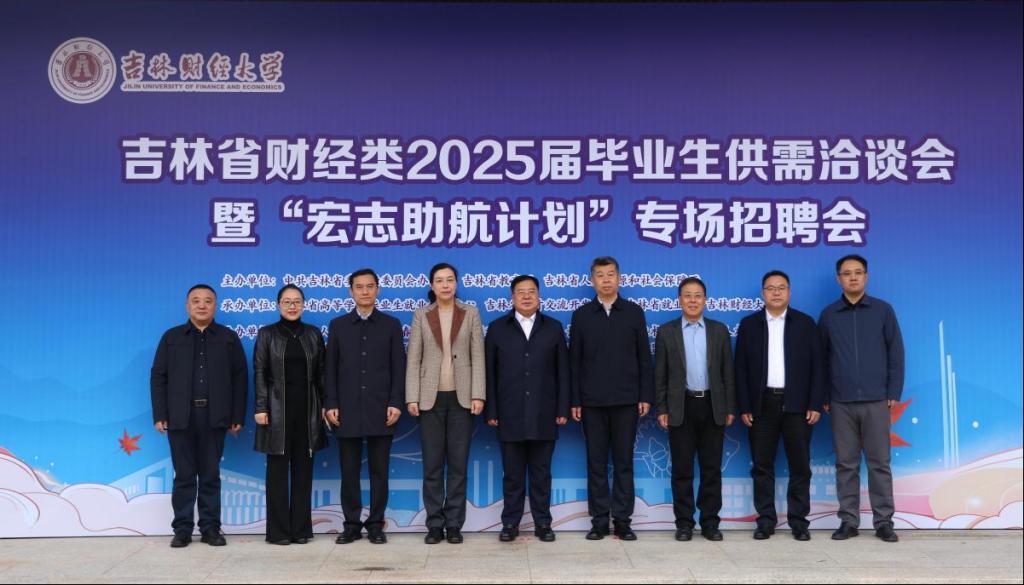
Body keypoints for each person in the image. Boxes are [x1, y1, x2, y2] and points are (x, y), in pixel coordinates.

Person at [151, 284, 247, 548]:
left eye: (208, 301)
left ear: (215, 305)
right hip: (180, 417)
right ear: (187, 306)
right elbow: (158, 377)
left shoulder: (228, 338)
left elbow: (240, 379)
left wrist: (236, 415)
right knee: (184, 476)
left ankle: (210, 528)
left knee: (210, 475)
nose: (202, 305)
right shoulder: (171, 337)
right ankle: (182, 529)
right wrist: (160, 413)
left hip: (215, 416)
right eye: (196, 301)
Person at [819, 255, 904, 543]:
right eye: (847, 273)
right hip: (840, 402)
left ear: (866, 277)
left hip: (876, 400)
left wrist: (892, 392)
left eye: (858, 272)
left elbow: (896, 353)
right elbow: (822, 359)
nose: (853, 277)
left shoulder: (882, 310)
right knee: (846, 464)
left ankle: (884, 522)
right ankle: (848, 521)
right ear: (838, 279)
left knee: (879, 463)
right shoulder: (829, 315)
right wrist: (825, 395)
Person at [734, 270, 825, 541]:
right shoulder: (750, 324)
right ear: (763, 293)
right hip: (762, 405)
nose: (776, 292)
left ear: (789, 292)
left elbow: (818, 367)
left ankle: (799, 521)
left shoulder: (805, 323)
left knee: (800, 466)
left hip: (797, 404)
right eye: (770, 288)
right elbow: (740, 369)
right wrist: (745, 406)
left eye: (781, 288)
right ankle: (765, 521)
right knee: (762, 466)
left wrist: (815, 403)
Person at [569, 256, 653, 541]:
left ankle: (622, 520)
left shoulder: (633, 312)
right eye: (600, 275)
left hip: (626, 401)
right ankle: (599, 521)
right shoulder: (582, 315)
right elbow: (574, 361)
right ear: (592, 280)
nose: (606, 280)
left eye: (610, 274)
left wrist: (644, 395)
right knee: (595, 463)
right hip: (591, 403)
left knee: (623, 463)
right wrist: (575, 400)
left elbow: (644, 357)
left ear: (619, 278)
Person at [485, 275, 569, 543]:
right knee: (512, 474)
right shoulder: (497, 329)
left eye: (531, 291)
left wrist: (562, 408)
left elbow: (563, 372)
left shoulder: (553, 328)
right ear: (512, 297)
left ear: (539, 296)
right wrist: (492, 410)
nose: (526, 296)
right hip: (509, 412)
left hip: (545, 412)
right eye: (520, 292)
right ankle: (510, 523)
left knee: (541, 473)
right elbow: (489, 373)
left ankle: (543, 523)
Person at [406, 262, 485, 544]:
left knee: (458, 465)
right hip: (430, 398)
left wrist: (478, 394)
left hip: (462, 398)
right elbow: (414, 357)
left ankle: (454, 524)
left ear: (456, 283)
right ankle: (434, 525)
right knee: (432, 466)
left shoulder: (470, 312)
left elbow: (478, 355)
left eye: (450, 279)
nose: (445, 285)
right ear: (432, 285)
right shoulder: (421, 315)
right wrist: (412, 396)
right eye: (439, 280)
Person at [325, 268, 405, 545]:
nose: (365, 291)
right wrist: (331, 403)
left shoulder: (391, 325)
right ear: (351, 291)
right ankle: (351, 525)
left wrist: (396, 402)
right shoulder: (338, 325)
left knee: (379, 472)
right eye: (359, 287)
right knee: (349, 473)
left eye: (370, 286)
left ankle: (375, 525)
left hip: (381, 409)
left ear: (378, 290)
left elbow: (399, 367)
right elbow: (330, 368)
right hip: (346, 409)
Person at [654, 277, 735, 542]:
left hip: (713, 405)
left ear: (705, 299)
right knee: (682, 469)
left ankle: (710, 523)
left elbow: (727, 372)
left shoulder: (719, 330)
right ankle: (684, 523)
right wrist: (662, 408)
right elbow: (660, 374)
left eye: (697, 295)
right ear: (679, 300)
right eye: (687, 295)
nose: (692, 300)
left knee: (711, 468)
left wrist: (729, 406)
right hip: (681, 406)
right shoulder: (667, 332)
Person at [253, 284, 328, 545]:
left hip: (307, 411)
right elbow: (260, 372)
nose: (292, 306)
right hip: (276, 411)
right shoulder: (267, 334)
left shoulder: (313, 334)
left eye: (297, 301)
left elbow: (322, 374)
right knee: (277, 473)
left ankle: (301, 530)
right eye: (287, 301)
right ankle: (278, 532)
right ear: (278, 305)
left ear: (304, 305)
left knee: (303, 472)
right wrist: (261, 407)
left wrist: (324, 405)